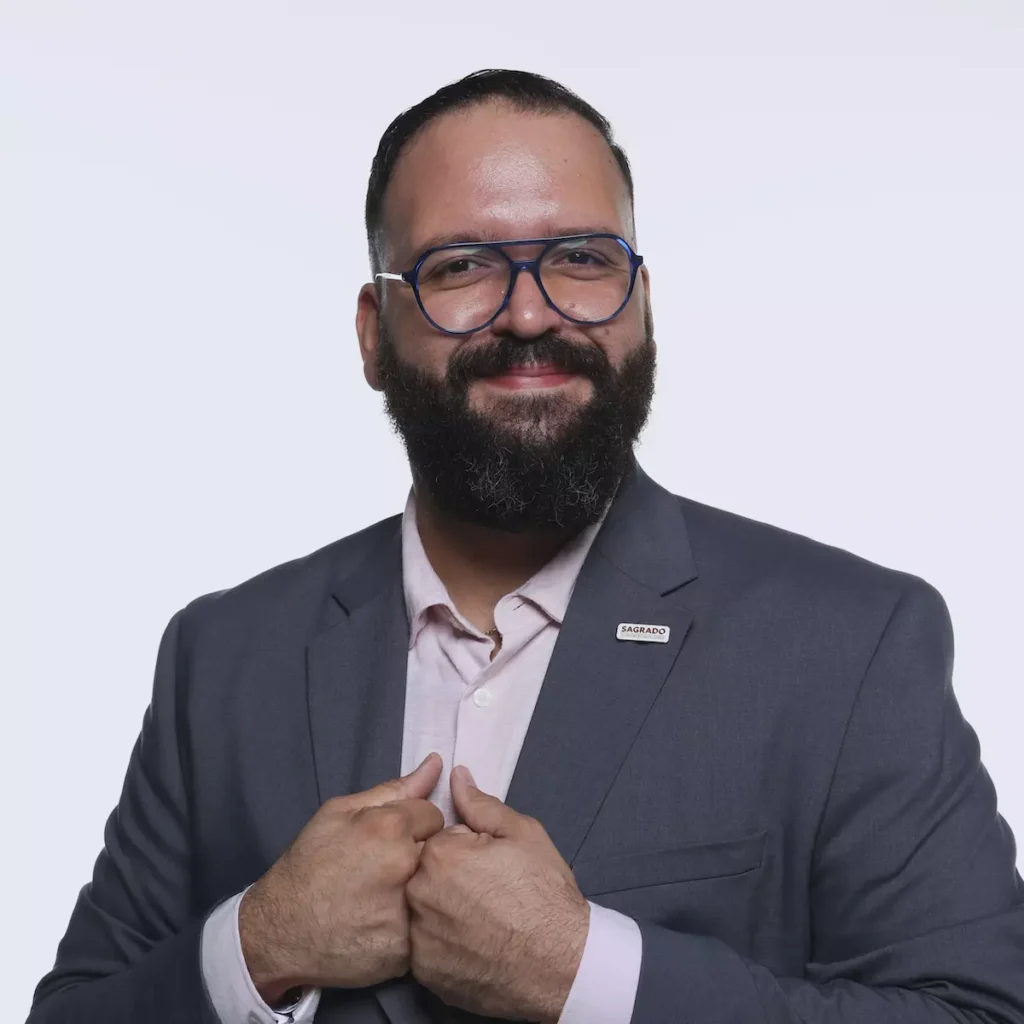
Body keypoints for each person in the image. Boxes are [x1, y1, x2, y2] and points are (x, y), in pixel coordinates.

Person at [28, 68, 1024, 1024]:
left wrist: (590, 975)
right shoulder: (224, 655)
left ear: (640, 302)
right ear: (373, 334)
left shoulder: (847, 644)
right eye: (460, 266)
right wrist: (258, 943)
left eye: (582, 259)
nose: (532, 314)